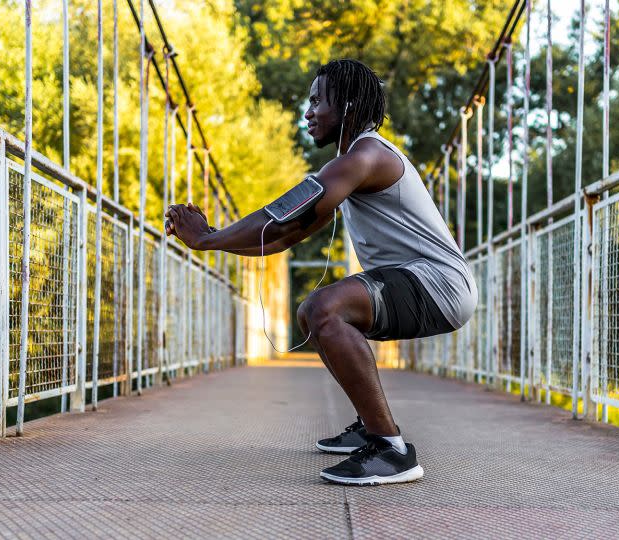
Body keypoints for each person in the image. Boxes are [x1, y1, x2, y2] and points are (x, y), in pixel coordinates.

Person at [165, 59, 477, 486]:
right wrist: (214, 237)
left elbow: (280, 218)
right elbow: (281, 236)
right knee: (312, 315)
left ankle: (392, 450)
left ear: (347, 105)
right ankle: (370, 426)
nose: (308, 112)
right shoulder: (353, 162)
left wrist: (206, 238)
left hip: (440, 283)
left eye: (317, 101)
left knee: (325, 308)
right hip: (424, 283)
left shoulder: (366, 156)